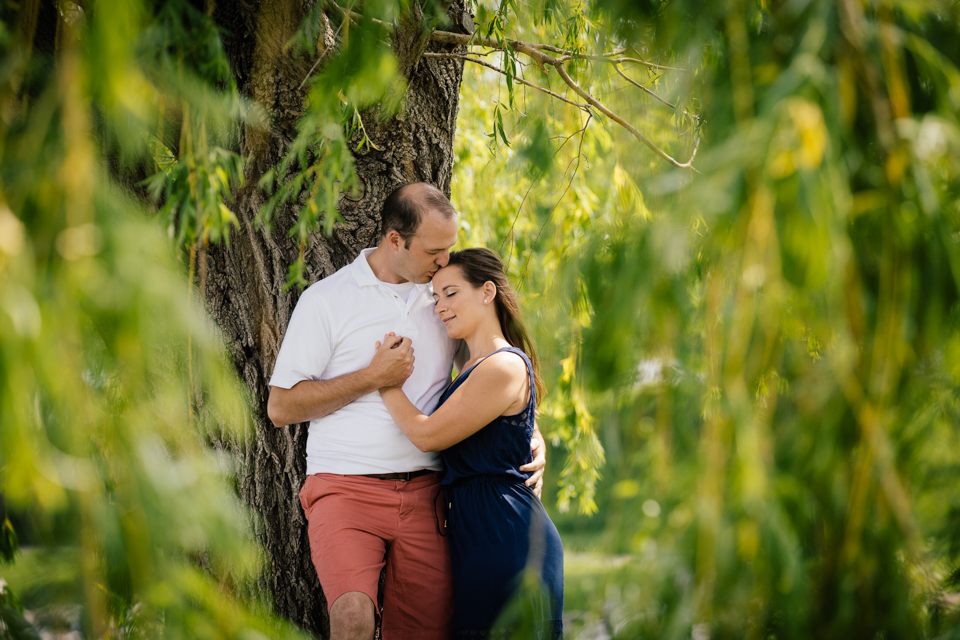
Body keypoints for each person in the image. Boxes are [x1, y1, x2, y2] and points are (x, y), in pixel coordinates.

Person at [266, 183, 546, 640]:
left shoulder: (444, 300)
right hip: (344, 488)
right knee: (352, 618)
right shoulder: (326, 299)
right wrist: (372, 377)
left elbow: (490, 375)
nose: (444, 261)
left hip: (430, 497)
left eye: (450, 248)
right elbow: (280, 407)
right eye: (435, 250)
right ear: (395, 240)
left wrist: (529, 430)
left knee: (427, 630)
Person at [374, 247, 564, 640]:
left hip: (506, 540)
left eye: (451, 293)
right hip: (477, 537)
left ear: (487, 292)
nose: (440, 306)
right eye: (435, 296)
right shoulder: (476, 365)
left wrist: (384, 382)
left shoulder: (502, 365)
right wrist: (533, 433)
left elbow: (427, 434)